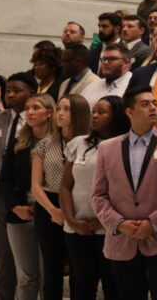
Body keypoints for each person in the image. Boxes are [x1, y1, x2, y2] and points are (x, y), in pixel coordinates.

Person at [90, 86, 157, 300]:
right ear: (129, 112)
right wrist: (118, 223)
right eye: (145, 104)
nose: (152, 108)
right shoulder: (107, 148)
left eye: (154, 103)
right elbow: (98, 195)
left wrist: (152, 223)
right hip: (121, 239)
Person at [61, 95, 129, 300]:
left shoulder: (125, 145)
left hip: (110, 228)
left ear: (116, 116)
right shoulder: (78, 143)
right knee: (82, 284)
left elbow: (126, 191)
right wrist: (71, 220)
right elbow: (65, 186)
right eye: (94, 112)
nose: (95, 116)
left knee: (113, 284)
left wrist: (101, 221)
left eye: (102, 112)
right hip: (77, 226)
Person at [0, 72, 36, 300]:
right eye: (8, 90)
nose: (10, 94)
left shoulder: (37, 119)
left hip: (29, 196)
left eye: (17, 90)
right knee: (2, 260)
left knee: (31, 262)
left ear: (31, 93)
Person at [30, 94, 89, 300]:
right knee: (52, 268)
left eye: (66, 109)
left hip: (80, 205)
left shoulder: (90, 144)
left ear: (79, 113)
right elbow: (36, 185)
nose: (60, 113)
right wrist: (53, 210)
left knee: (79, 269)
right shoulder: (46, 144)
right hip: (49, 205)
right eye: (59, 109)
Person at [0, 93, 57, 300]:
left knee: (48, 275)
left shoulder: (60, 143)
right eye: (28, 108)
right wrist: (15, 207)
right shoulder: (19, 143)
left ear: (49, 112)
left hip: (50, 214)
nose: (29, 113)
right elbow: (4, 180)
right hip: (20, 214)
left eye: (36, 108)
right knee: (26, 276)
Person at [80, 43, 133, 108]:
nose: (106, 62)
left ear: (126, 63)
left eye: (112, 59)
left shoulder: (133, 85)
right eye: (104, 59)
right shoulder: (91, 86)